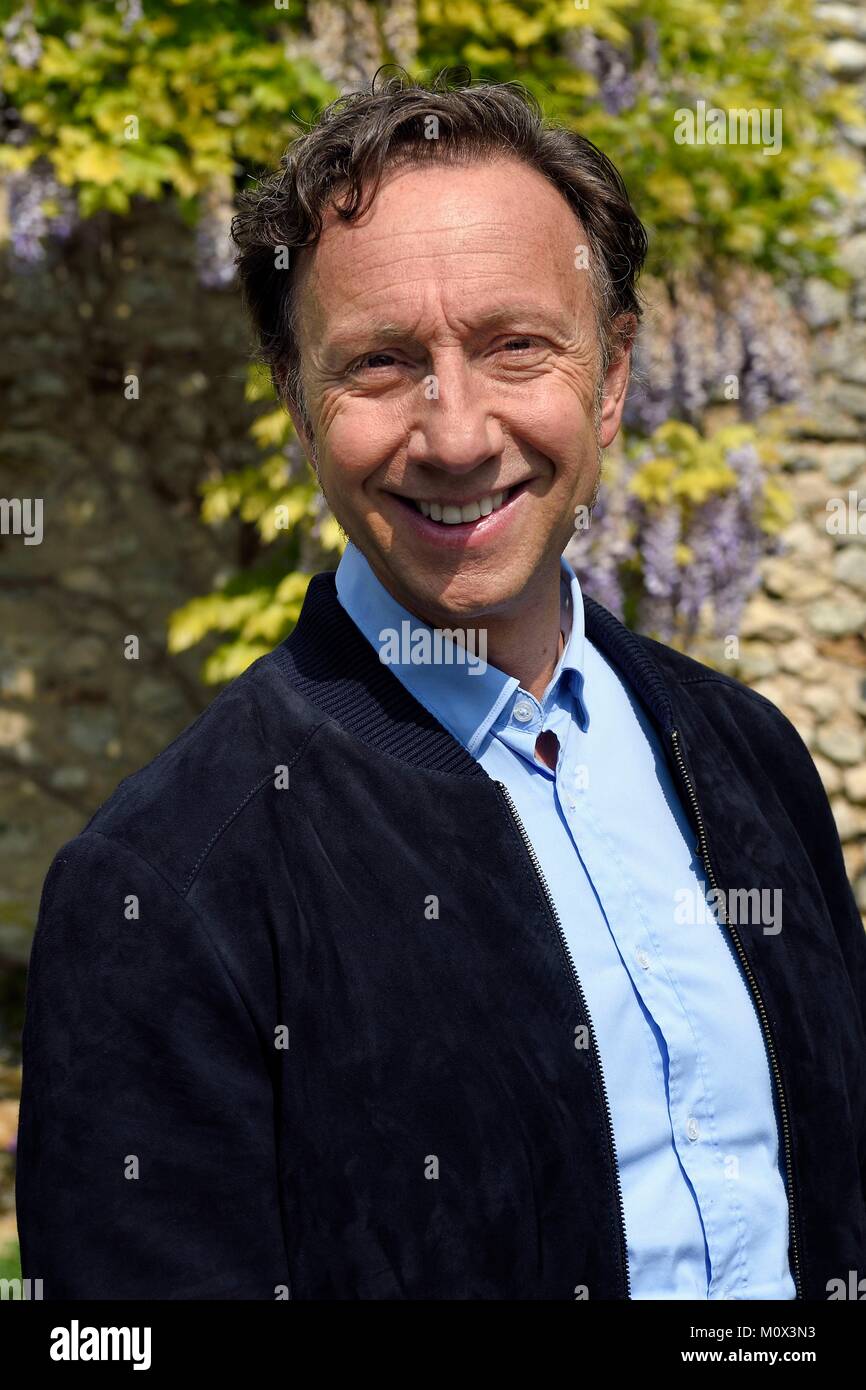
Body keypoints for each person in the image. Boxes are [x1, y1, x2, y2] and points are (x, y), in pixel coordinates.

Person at [16, 69, 866, 1300]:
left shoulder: (745, 754)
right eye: (377, 362)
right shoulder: (167, 883)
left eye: (517, 346)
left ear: (614, 375)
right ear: (297, 410)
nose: (456, 432)